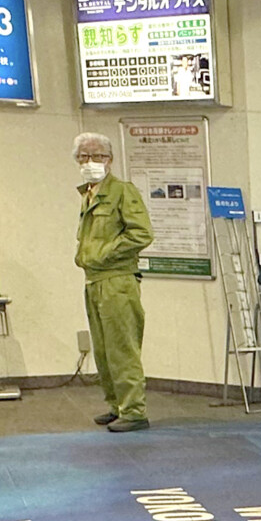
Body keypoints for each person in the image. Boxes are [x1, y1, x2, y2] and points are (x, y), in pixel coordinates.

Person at [71, 131, 155, 431]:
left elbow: (141, 233)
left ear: (110, 160)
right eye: (83, 157)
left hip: (117, 281)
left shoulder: (122, 191)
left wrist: (104, 254)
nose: (90, 162)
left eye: (97, 156)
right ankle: (116, 405)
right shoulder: (89, 193)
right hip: (94, 282)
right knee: (103, 350)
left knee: (122, 348)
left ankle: (133, 410)